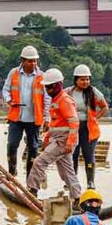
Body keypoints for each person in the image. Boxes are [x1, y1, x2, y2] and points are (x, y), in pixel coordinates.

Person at [27, 69, 82, 204]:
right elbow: (54, 124)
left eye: (50, 87)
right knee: (66, 172)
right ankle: (77, 198)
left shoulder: (64, 100)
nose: (48, 90)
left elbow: (74, 122)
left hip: (63, 141)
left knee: (39, 162)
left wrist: (69, 142)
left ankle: (32, 191)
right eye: (46, 87)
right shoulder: (56, 100)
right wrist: (47, 140)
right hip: (58, 140)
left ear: (58, 85)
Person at [2, 46, 50, 180]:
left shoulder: (42, 76)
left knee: (33, 148)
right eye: (30, 61)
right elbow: (5, 90)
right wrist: (9, 100)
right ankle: (12, 171)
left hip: (34, 118)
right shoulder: (14, 73)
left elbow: (47, 98)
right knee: (12, 144)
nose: (33, 63)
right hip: (16, 117)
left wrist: (47, 118)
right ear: (23, 61)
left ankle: (30, 176)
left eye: (35, 61)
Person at [68, 64, 109, 190]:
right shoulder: (68, 92)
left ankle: (90, 182)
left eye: (87, 79)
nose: (85, 82)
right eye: (82, 79)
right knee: (73, 155)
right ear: (76, 80)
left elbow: (104, 107)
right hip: (73, 129)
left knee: (89, 155)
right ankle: (72, 182)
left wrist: (96, 117)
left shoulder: (93, 92)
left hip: (89, 129)